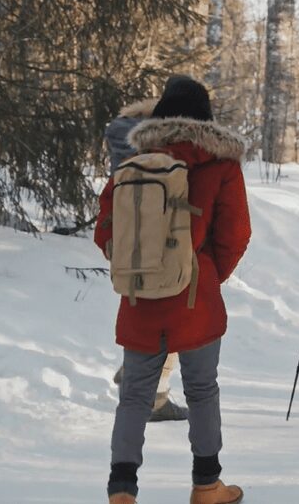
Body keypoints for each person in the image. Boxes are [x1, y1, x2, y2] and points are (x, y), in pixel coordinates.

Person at [95, 76, 251, 504]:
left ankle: (122, 491)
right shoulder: (220, 164)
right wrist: (205, 275)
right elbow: (236, 234)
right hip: (195, 298)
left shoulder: (135, 161)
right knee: (202, 390)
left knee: (134, 397)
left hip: (139, 297)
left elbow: (104, 230)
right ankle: (206, 486)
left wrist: (135, 265)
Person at [105, 95, 188, 423]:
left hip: (128, 240)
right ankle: (153, 395)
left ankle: (141, 380)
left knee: (142, 314)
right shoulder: (164, 140)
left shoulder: (121, 137)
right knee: (174, 319)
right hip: (166, 241)